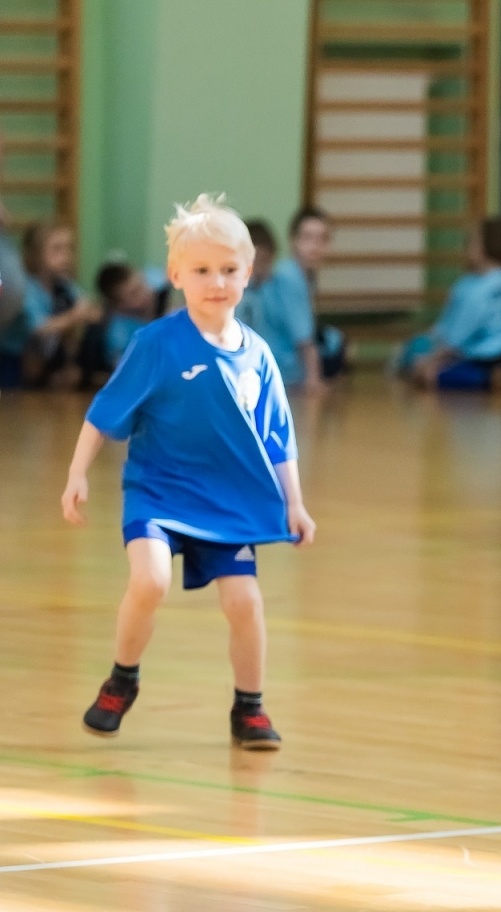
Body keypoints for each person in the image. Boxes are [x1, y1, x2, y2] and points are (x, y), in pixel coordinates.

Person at [60, 194, 315, 751]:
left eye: (229, 270)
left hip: (229, 500)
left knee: (245, 602)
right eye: (201, 270)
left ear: (248, 273)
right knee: (150, 580)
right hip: (160, 490)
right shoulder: (155, 344)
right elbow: (104, 410)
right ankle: (121, 680)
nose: (216, 281)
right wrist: (78, 473)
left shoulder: (259, 356)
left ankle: (249, 709)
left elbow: (279, 438)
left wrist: (294, 502)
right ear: (176, 274)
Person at [400, 216, 501, 391]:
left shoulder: (473, 287)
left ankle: (486, 378)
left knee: (429, 371)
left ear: (479, 250)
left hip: (486, 357)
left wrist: (430, 361)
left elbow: (456, 337)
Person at [2, 220, 100, 388]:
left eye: (70, 248)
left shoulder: (63, 284)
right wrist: (74, 316)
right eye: (57, 249)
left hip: (43, 359)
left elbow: (90, 308)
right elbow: (38, 328)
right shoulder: (25, 286)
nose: (66, 256)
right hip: (11, 361)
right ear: (35, 253)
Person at [239, 219, 323, 390]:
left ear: (272, 256)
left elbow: (304, 338)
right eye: (251, 260)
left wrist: (313, 380)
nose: (256, 267)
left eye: (262, 259)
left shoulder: (283, 284)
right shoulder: (238, 291)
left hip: (285, 373)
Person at [285, 206, 347, 381]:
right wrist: (314, 382)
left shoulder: (302, 276)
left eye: (323, 239)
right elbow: (304, 341)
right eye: (308, 238)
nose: (315, 246)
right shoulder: (290, 278)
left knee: (335, 339)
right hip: (285, 369)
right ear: (293, 241)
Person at [95, 261, 173, 367]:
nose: (146, 292)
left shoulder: (155, 278)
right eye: (134, 293)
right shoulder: (120, 339)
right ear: (118, 307)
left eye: (141, 284)